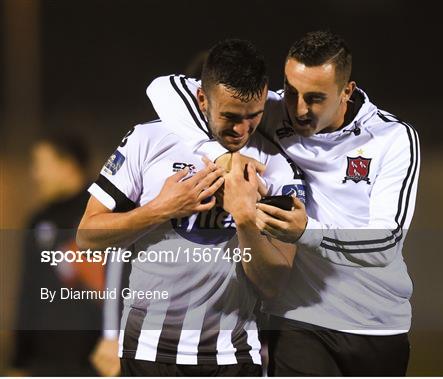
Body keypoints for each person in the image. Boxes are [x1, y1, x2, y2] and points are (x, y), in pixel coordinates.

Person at [146, 30, 420, 376]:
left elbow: (386, 242)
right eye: (292, 91)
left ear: (346, 92)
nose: (299, 109)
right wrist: (219, 155)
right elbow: (162, 88)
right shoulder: (272, 113)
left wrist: (309, 231)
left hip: (376, 321)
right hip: (297, 317)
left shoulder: (392, 138)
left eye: (315, 98)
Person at [77, 39, 302, 376]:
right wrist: (160, 209)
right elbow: (86, 237)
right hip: (147, 351)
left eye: (252, 117)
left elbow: (274, 283)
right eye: (229, 116)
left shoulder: (275, 163)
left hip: (233, 357)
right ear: (201, 99)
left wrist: (244, 220)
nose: (241, 130)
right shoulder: (147, 140)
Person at [9, 133, 102, 376]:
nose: (35, 174)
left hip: (94, 360)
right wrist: (20, 359)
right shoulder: (39, 219)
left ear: (67, 165)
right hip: (44, 361)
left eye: (41, 165)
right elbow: (29, 291)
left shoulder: (101, 214)